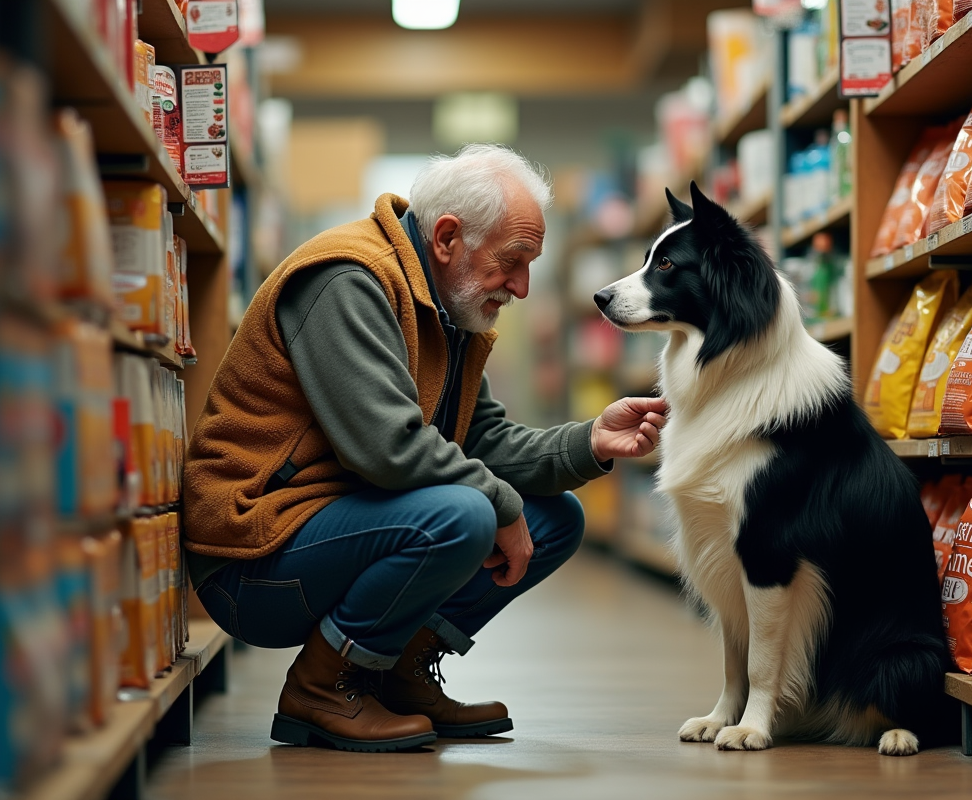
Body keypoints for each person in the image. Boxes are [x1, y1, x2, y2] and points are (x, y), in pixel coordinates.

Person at [182, 144, 667, 753]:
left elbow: (481, 440)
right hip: (253, 552)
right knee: (465, 513)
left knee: (555, 517)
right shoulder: (348, 279)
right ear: (446, 238)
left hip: (330, 527)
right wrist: (502, 507)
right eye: (512, 261)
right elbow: (387, 448)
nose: (520, 287)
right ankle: (321, 688)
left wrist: (588, 440)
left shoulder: (448, 308)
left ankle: (395, 675)